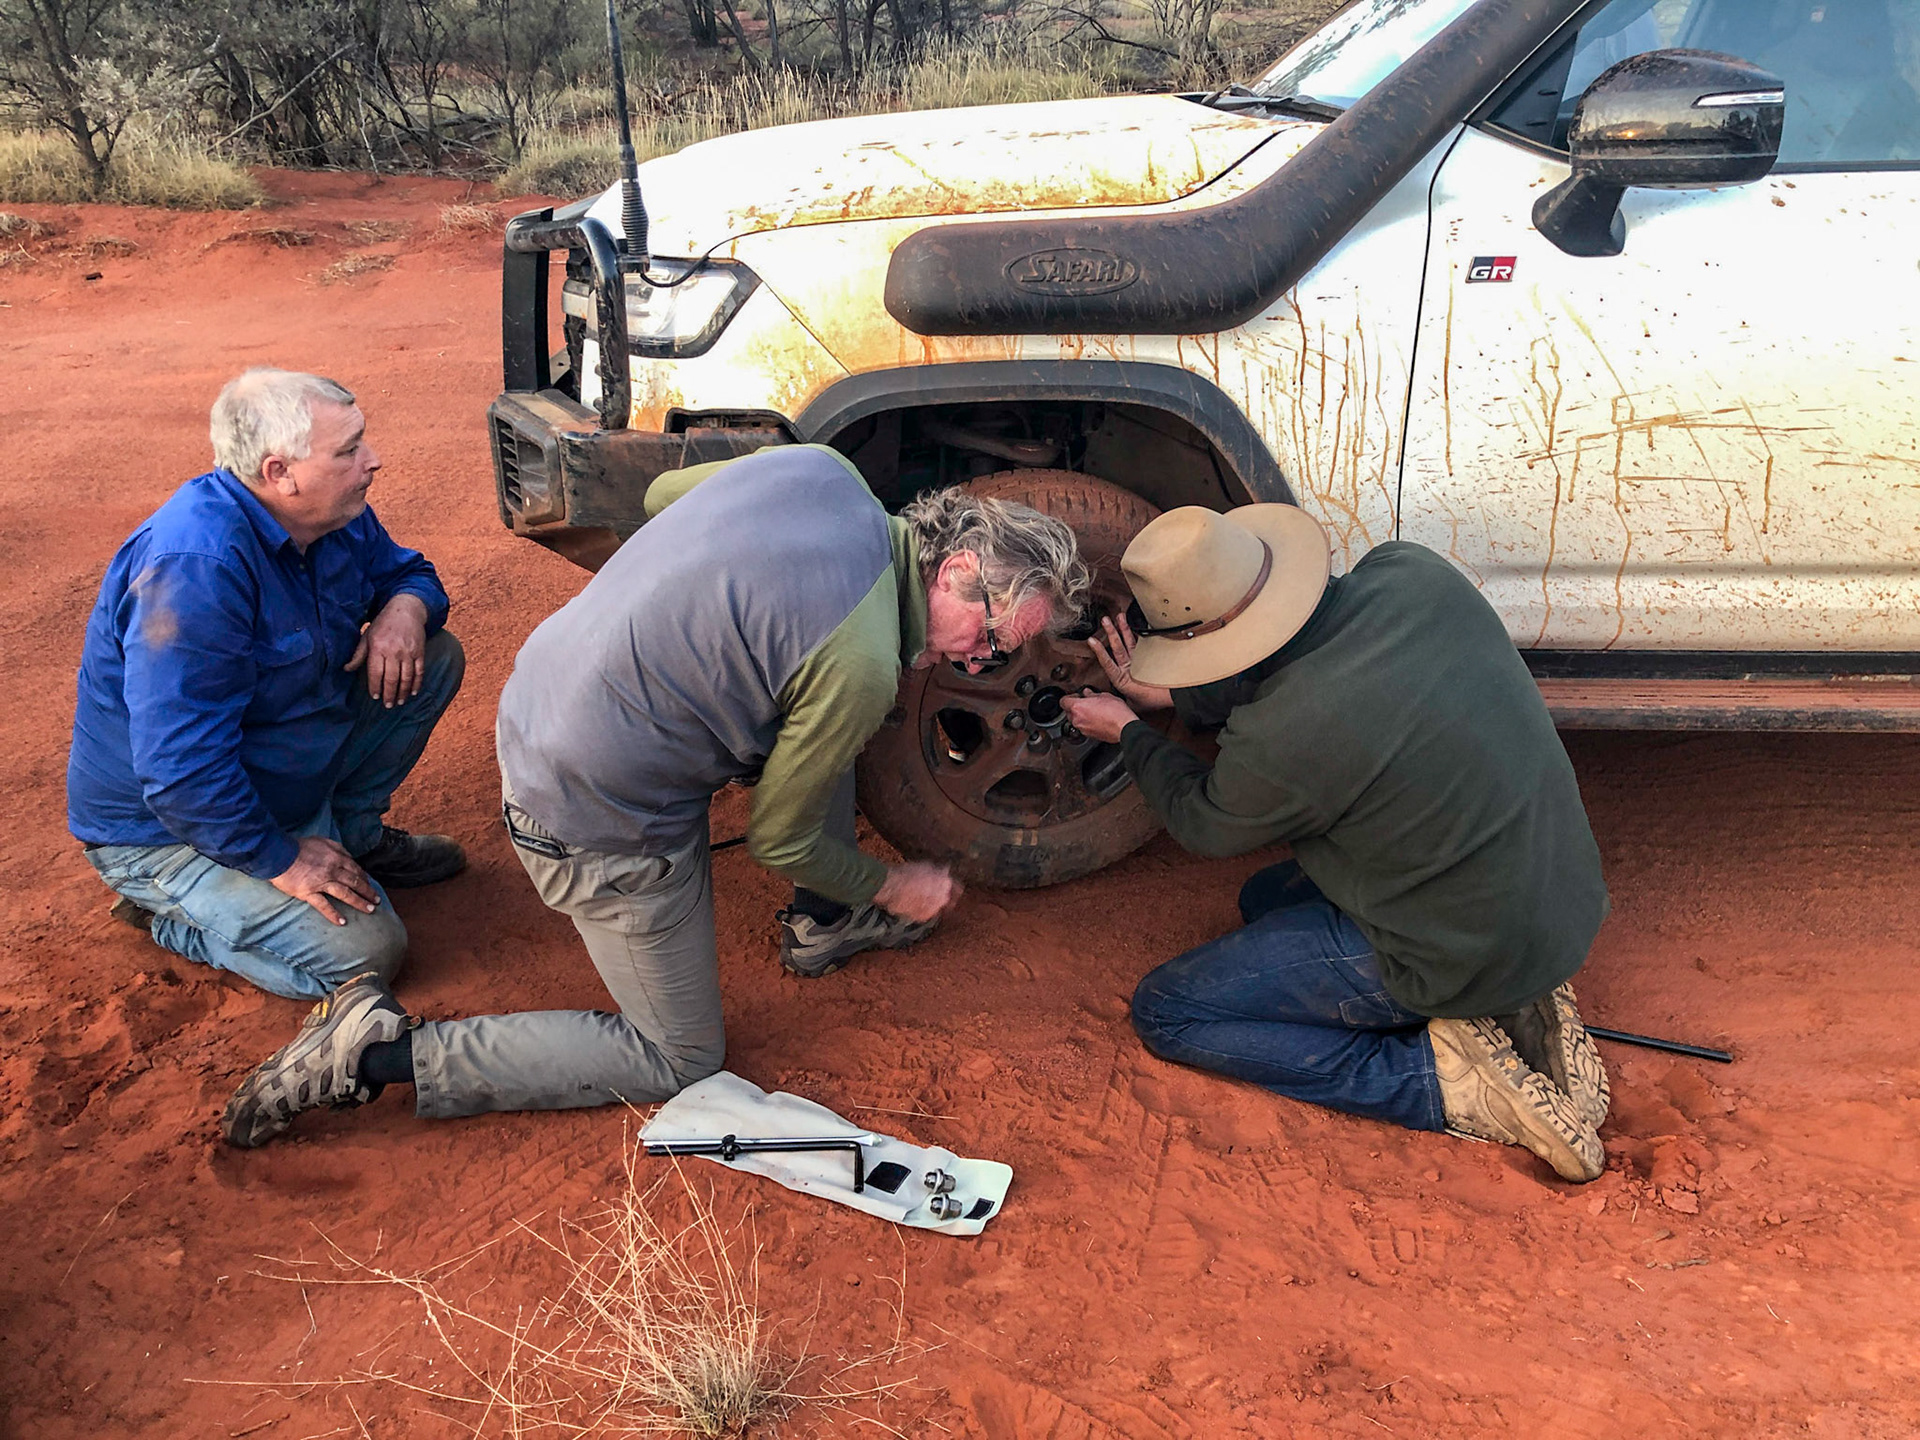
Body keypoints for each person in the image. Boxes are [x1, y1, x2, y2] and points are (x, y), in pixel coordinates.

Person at [220, 445, 1089, 1147]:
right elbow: (779, 840)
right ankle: (377, 1055)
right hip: (587, 816)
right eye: (989, 639)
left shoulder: (823, 472)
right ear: (956, 569)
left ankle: (824, 922)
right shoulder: (859, 664)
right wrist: (891, 886)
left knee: (817, 720)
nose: (979, 662)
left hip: (540, 700)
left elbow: (664, 495)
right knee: (676, 1056)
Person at [1060, 505, 1612, 1182]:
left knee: (1169, 1012)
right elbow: (1299, 659)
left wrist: (1128, 731)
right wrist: (1178, 696)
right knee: (1264, 899)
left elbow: (1204, 821)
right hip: (1553, 894)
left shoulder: (1285, 733)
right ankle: (1518, 994)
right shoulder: (1411, 573)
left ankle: (1439, 1081)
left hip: (1452, 951)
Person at [68, 369, 466, 1002]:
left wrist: (404, 610)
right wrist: (282, 860)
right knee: (366, 957)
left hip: (268, 775)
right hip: (170, 833)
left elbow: (409, 574)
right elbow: (179, 772)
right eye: (348, 451)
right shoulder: (196, 571)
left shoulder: (331, 515)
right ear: (279, 472)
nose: (372, 461)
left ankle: (351, 838)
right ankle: (170, 914)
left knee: (432, 656)